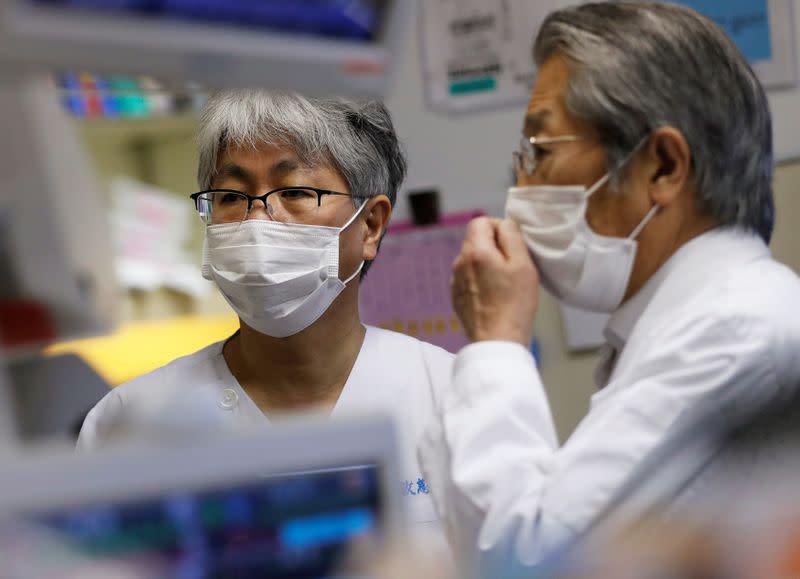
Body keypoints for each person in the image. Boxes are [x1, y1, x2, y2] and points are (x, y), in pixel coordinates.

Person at [418, 2, 800, 574]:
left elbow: (525, 558)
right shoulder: (702, 319)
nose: (519, 189)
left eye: (540, 152)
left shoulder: (734, 330)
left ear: (664, 166)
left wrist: (497, 342)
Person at [78, 90, 453, 535]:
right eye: (232, 196)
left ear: (369, 225)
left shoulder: (453, 398)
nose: (257, 220)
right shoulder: (127, 424)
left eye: (294, 191)